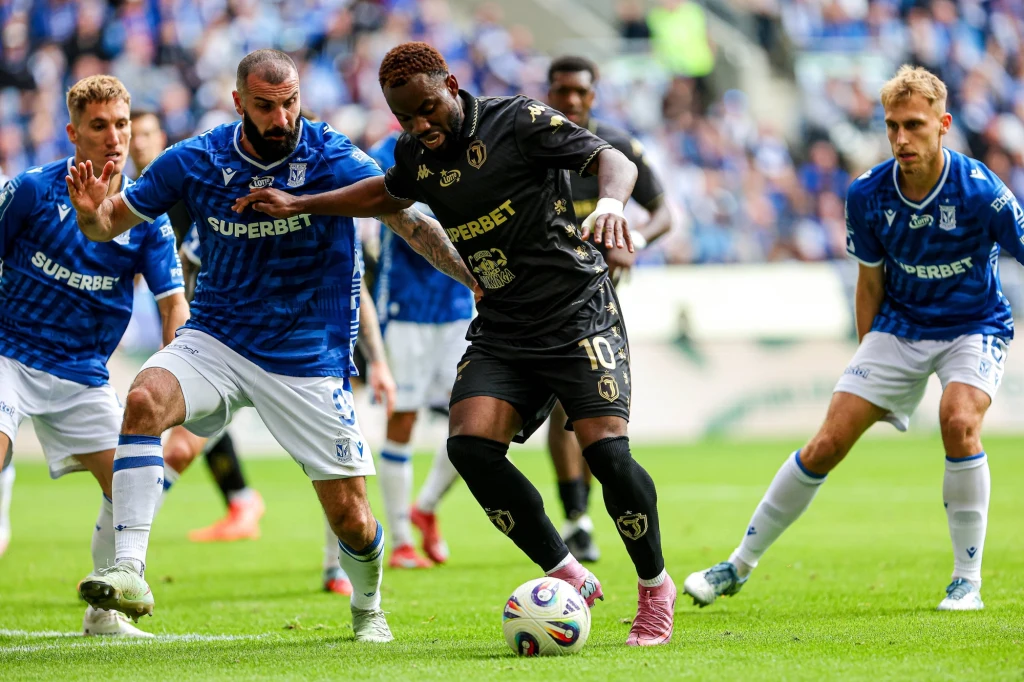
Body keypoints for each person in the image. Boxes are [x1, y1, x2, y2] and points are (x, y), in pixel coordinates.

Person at [236, 42, 676, 646]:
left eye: (427, 109)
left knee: (606, 456)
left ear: (450, 83)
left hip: (578, 313)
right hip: (505, 323)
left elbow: (612, 159)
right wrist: (304, 203)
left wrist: (608, 205)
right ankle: (566, 570)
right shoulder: (414, 153)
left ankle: (655, 586)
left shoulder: (516, 120)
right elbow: (385, 194)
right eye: (404, 118)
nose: (419, 126)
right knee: (469, 447)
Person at [66, 49, 473, 642]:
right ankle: (129, 567)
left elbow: (410, 220)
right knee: (144, 398)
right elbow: (108, 224)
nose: (281, 118)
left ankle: (368, 606)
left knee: (353, 521)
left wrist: (476, 280)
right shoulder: (196, 159)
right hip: (219, 338)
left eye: (289, 103)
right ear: (238, 103)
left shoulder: (331, 154)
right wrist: (88, 217)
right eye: (265, 106)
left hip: (306, 354)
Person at [683, 65, 1024, 612]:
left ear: (944, 124)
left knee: (959, 422)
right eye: (892, 126)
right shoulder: (867, 194)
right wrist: (871, 357)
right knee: (825, 444)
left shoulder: (982, 191)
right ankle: (736, 566)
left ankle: (967, 580)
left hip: (973, 325)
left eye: (914, 125)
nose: (900, 138)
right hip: (899, 327)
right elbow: (869, 281)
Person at [0, 75, 187, 636]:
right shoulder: (31, 190)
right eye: (100, 126)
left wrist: (175, 369)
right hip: (8, 355)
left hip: (83, 374)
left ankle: (103, 614)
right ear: (73, 133)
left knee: (134, 484)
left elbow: (173, 303)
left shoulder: (145, 217)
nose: (114, 137)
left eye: (122, 125)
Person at [545, 55, 675, 563]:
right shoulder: (533, 143)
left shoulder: (617, 148)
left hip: (600, 301)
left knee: (592, 409)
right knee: (561, 406)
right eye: (562, 91)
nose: (572, 100)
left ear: (593, 94)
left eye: (581, 91)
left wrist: (632, 235)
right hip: (541, 299)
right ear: (549, 94)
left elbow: (666, 211)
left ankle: (584, 515)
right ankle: (576, 517)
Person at [129, 109, 268, 546]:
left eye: (146, 133)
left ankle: (121, 553)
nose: (137, 143)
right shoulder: (140, 196)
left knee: (182, 443)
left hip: (219, 333)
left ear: (162, 136)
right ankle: (242, 501)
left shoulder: (187, 186)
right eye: (131, 135)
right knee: (198, 432)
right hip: (192, 332)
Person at [366, 130, 473, 568]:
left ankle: (424, 507)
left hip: (460, 304)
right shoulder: (386, 151)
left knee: (475, 421)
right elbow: (383, 203)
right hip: (407, 306)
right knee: (403, 417)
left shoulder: (471, 147)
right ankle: (402, 538)